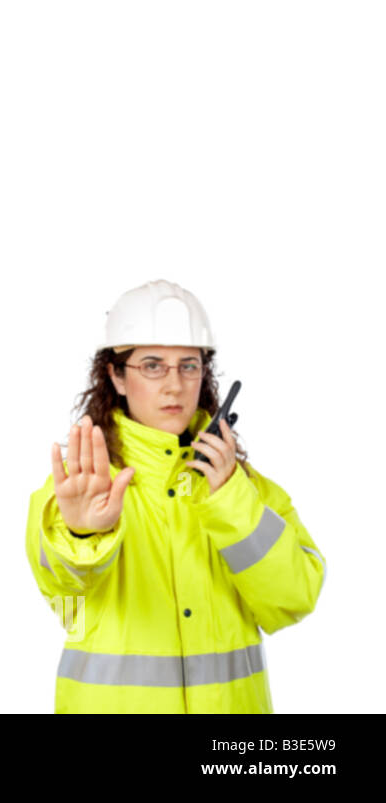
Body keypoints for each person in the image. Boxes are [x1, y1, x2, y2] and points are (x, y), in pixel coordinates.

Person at [25, 280, 325, 713]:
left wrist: (229, 500)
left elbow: (295, 599)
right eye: (151, 365)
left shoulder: (243, 487)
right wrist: (82, 534)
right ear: (116, 375)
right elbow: (65, 601)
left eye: (188, 365)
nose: (174, 385)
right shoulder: (83, 485)